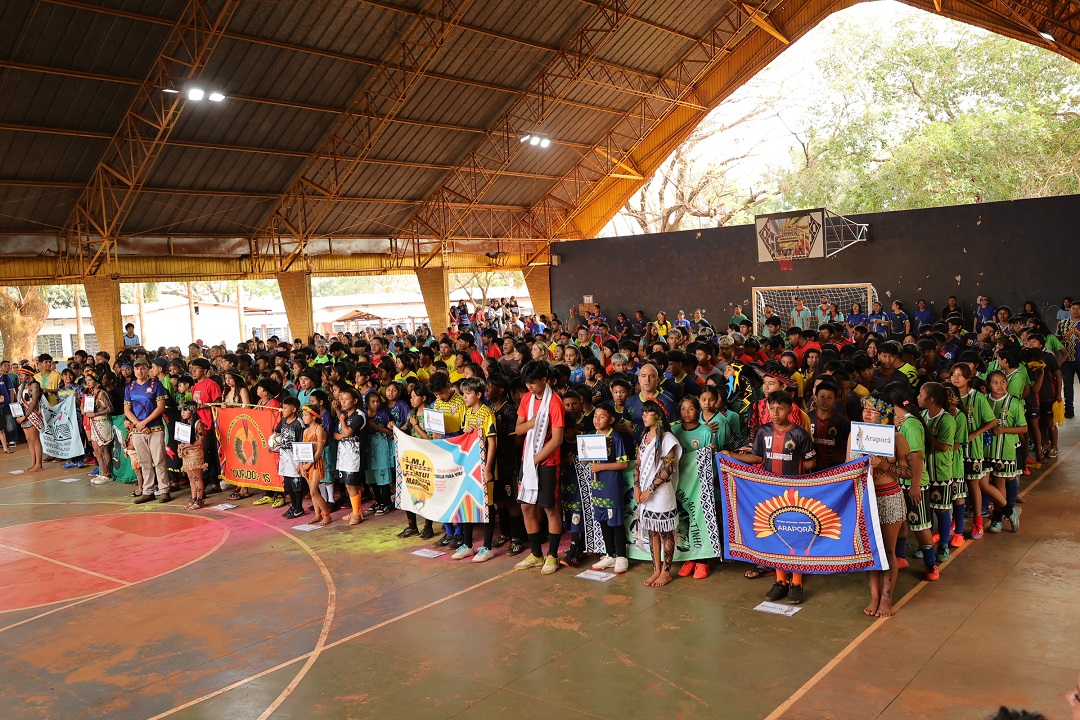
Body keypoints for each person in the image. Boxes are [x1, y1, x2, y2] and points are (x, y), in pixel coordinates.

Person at [725, 390, 817, 604]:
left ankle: (797, 583)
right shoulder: (763, 431)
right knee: (775, 534)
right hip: (770, 492)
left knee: (794, 536)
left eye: (780, 408)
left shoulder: (800, 434)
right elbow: (758, 457)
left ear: (790, 409)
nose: (775, 413)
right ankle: (780, 581)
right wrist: (732, 456)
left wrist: (802, 466)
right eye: (771, 408)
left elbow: (811, 463)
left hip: (794, 494)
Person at [514, 360, 566, 576]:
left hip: (547, 462)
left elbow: (557, 440)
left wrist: (535, 459)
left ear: (544, 380)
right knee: (526, 507)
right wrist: (530, 424)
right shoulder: (526, 399)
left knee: (549, 508)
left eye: (533, 382)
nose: (529, 386)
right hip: (528, 459)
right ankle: (536, 554)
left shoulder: (555, 402)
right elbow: (518, 429)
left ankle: (552, 555)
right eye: (527, 383)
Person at [635, 399, 681, 588]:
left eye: (648, 412)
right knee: (652, 532)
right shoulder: (644, 436)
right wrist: (636, 487)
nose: (644, 416)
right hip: (645, 493)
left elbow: (668, 468)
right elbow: (638, 464)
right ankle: (656, 569)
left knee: (665, 532)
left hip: (660, 494)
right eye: (643, 412)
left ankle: (666, 572)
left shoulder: (667, 438)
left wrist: (650, 490)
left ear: (659, 416)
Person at [454, 376, 498, 562]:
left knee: (486, 505)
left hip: (484, 467)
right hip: (469, 467)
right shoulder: (466, 413)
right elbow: (466, 439)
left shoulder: (487, 413)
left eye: (468, 393)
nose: (464, 397)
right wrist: (465, 432)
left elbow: (492, 442)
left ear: (478, 395)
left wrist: (488, 469)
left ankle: (487, 547)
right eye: (463, 393)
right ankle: (467, 545)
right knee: (468, 503)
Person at [587, 402, 631, 575]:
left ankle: (621, 556)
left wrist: (602, 467)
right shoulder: (592, 436)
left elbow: (624, 463)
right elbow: (585, 460)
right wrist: (586, 454)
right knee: (603, 520)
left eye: (602, 416)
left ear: (611, 420)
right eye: (595, 416)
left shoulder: (616, 438)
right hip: (597, 487)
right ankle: (609, 554)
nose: (597, 420)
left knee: (615, 522)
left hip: (611, 486)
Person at [985, 370, 1025, 534]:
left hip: (1005, 450)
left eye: (1002, 381)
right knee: (985, 483)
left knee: (1000, 482)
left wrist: (1004, 430)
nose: (999, 385)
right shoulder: (984, 400)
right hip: (985, 450)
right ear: (989, 385)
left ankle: (997, 518)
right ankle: (1009, 510)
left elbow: (1023, 427)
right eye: (995, 382)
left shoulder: (1013, 403)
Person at [125, 359, 170, 504]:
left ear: (148, 369)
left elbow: (160, 407)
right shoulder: (130, 387)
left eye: (142, 368)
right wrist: (137, 423)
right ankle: (148, 490)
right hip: (138, 430)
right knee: (144, 461)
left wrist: (144, 422)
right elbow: (127, 409)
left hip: (155, 428)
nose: (139, 371)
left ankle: (164, 490)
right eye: (136, 368)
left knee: (159, 460)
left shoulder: (156, 384)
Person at [333, 387, 367, 525]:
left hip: (354, 456)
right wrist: (343, 434)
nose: (343, 402)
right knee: (350, 485)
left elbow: (347, 432)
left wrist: (342, 421)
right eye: (342, 399)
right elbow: (335, 435)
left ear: (355, 400)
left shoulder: (359, 416)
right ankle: (357, 511)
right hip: (343, 456)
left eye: (347, 399)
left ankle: (356, 514)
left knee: (351, 484)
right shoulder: (345, 414)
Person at [298, 404, 332, 526]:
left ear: (313, 417)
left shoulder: (319, 430)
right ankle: (317, 515)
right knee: (313, 490)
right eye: (303, 415)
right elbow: (302, 450)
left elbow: (319, 451)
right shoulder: (305, 431)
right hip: (306, 464)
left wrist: (308, 464)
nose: (303, 417)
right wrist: (301, 465)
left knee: (313, 491)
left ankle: (326, 515)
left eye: (305, 415)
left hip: (316, 463)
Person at [276, 397, 307, 520]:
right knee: (288, 485)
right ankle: (293, 507)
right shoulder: (283, 420)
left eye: (285, 408)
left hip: (294, 458)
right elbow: (277, 432)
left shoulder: (299, 424)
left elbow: (301, 443)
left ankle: (299, 508)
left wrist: (300, 463)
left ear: (294, 409)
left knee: (296, 484)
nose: (282, 410)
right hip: (284, 457)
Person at [82, 369, 114, 485]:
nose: (88, 382)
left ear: (96, 381)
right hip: (93, 423)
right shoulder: (90, 394)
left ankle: (108, 473)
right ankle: (101, 471)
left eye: (90, 380)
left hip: (102, 422)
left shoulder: (102, 393)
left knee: (104, 448)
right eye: (86, 380)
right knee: (96, 449)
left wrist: (95, 414)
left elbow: (110, 408)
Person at [176, 402, 208, 510]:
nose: (183, 413)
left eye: (185, 410)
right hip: (187, 454)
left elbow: (200, 441)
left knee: (197, 477)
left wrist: (187, 446)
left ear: (192, 410)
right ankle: (193, 498)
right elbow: (180, 441)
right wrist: (179, 449)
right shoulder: (184, 424)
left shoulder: (198, 423)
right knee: (190, 477)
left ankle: (199, 500)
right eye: (182, 410)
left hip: (195, 453)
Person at [15, 367, 43, 473]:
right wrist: (19, 415)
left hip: (32, 414)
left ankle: (38, 464)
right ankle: (33, 463)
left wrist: (25, 416)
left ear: (28, 375)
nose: (20, 376)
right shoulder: (21, 386)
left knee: (35, 439)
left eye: (22, 374)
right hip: (23, 415)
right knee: (29, 439)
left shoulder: (34, 385)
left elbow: (34, 402)